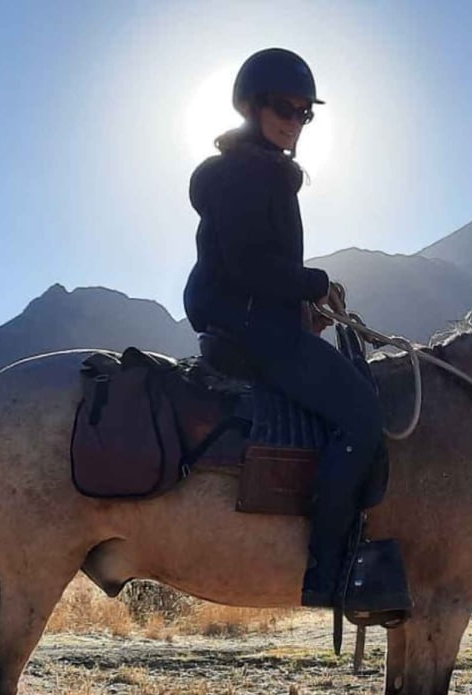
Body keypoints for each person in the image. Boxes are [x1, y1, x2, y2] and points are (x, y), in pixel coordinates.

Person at [183, 48, 408, 619]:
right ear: (252, 107)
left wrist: (307, 304)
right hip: (254, 331)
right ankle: (327, 568)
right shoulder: (247, 174)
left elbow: (251, 273)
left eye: (305, 112)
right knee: (360, 415)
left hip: (254, 323)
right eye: (284, 107)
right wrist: (315, 281)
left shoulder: (259, 172)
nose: (294, 120)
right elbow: (246, 265)